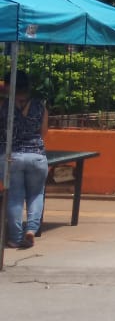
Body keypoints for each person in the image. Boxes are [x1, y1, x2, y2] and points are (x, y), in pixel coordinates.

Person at [1, 71, 49, 249]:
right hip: (37, 156)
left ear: (8, 86)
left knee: (14, 196)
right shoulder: (41, 107)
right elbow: (43, 133)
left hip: (11, 156)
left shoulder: (3, 106)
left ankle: (15, 238)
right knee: (36, 194)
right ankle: (31, 229)